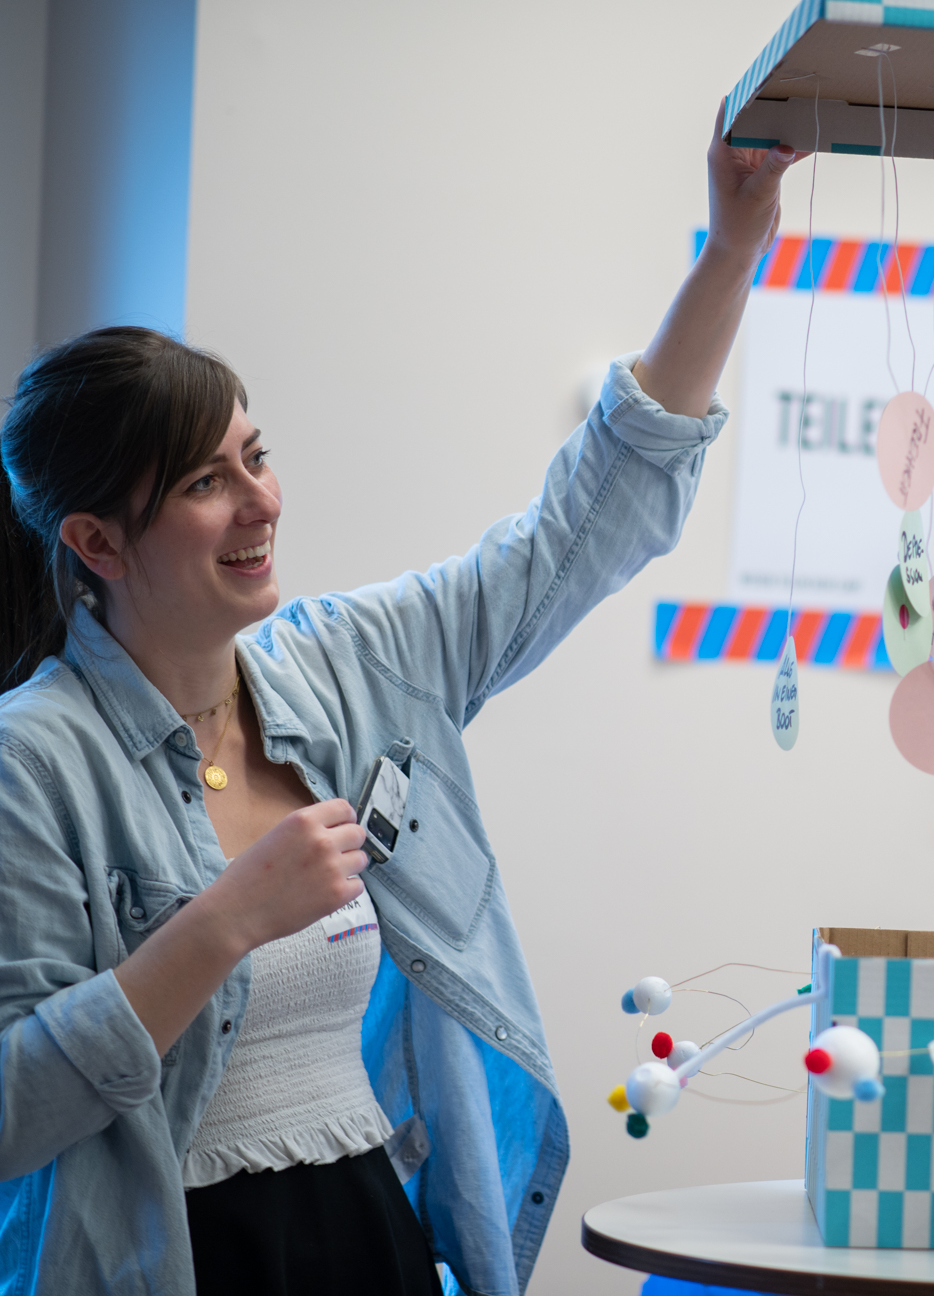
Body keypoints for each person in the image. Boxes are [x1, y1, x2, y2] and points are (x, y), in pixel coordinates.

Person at [0, 109, 799, 1295]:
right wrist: (222, 920)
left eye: (255, 456)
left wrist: (733, 247)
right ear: (96, 542)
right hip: (170, 1255)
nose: (261, 503)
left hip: (366, 1226)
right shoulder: (33, 758)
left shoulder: (344, 662)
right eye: (207, 482)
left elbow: (576, 532)